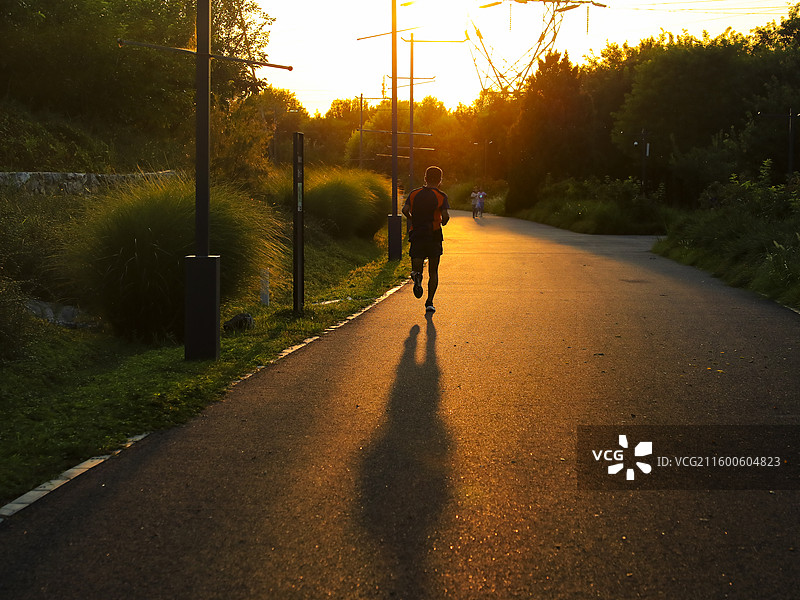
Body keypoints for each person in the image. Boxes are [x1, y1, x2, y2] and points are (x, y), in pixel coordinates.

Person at [402, 166, 450, 313]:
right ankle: (429, 302)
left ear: (425, 178)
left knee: (416, 264)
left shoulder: (414, 193)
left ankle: (416, 276)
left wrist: (412, 219)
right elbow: (445, 216)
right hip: (434, 236)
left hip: (417, 234)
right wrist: (443, 222)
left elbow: (405, 210)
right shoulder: (441, 196)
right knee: (433, 270)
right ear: (440, 180)